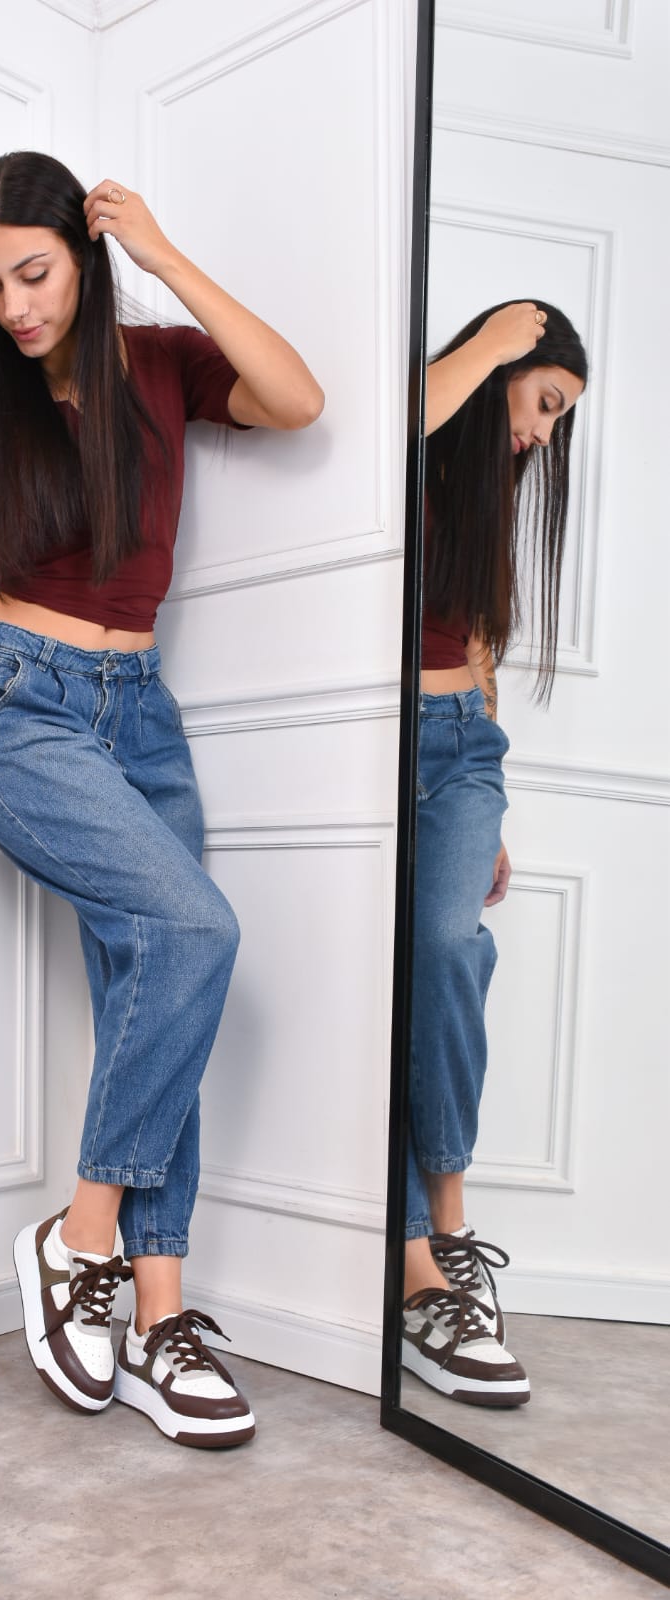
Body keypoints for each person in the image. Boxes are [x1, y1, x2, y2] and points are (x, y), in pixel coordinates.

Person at [0, 151, 324, 1448]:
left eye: (33, 273)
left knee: (163, 989)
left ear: (83, 257)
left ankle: (157, 1318)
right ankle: (80, 1240)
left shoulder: (160, 366)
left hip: (141, 715)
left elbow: (298, 398)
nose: (16, 306)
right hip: (13, 700)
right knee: (196, 933)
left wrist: (164, 255)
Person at [401, 300, 587, 1407]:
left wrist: (492, 816)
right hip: (377, 746)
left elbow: (475, 643)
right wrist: (491, 345)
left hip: (464, 749)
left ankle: (449, 1226)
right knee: (403, 973)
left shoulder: (489, 490)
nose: (542, 434)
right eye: (545, 403)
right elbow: (396, 422)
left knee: (447, 949)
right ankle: (413, 1260)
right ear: (506, 364)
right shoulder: (414, 449)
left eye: (559, 421)